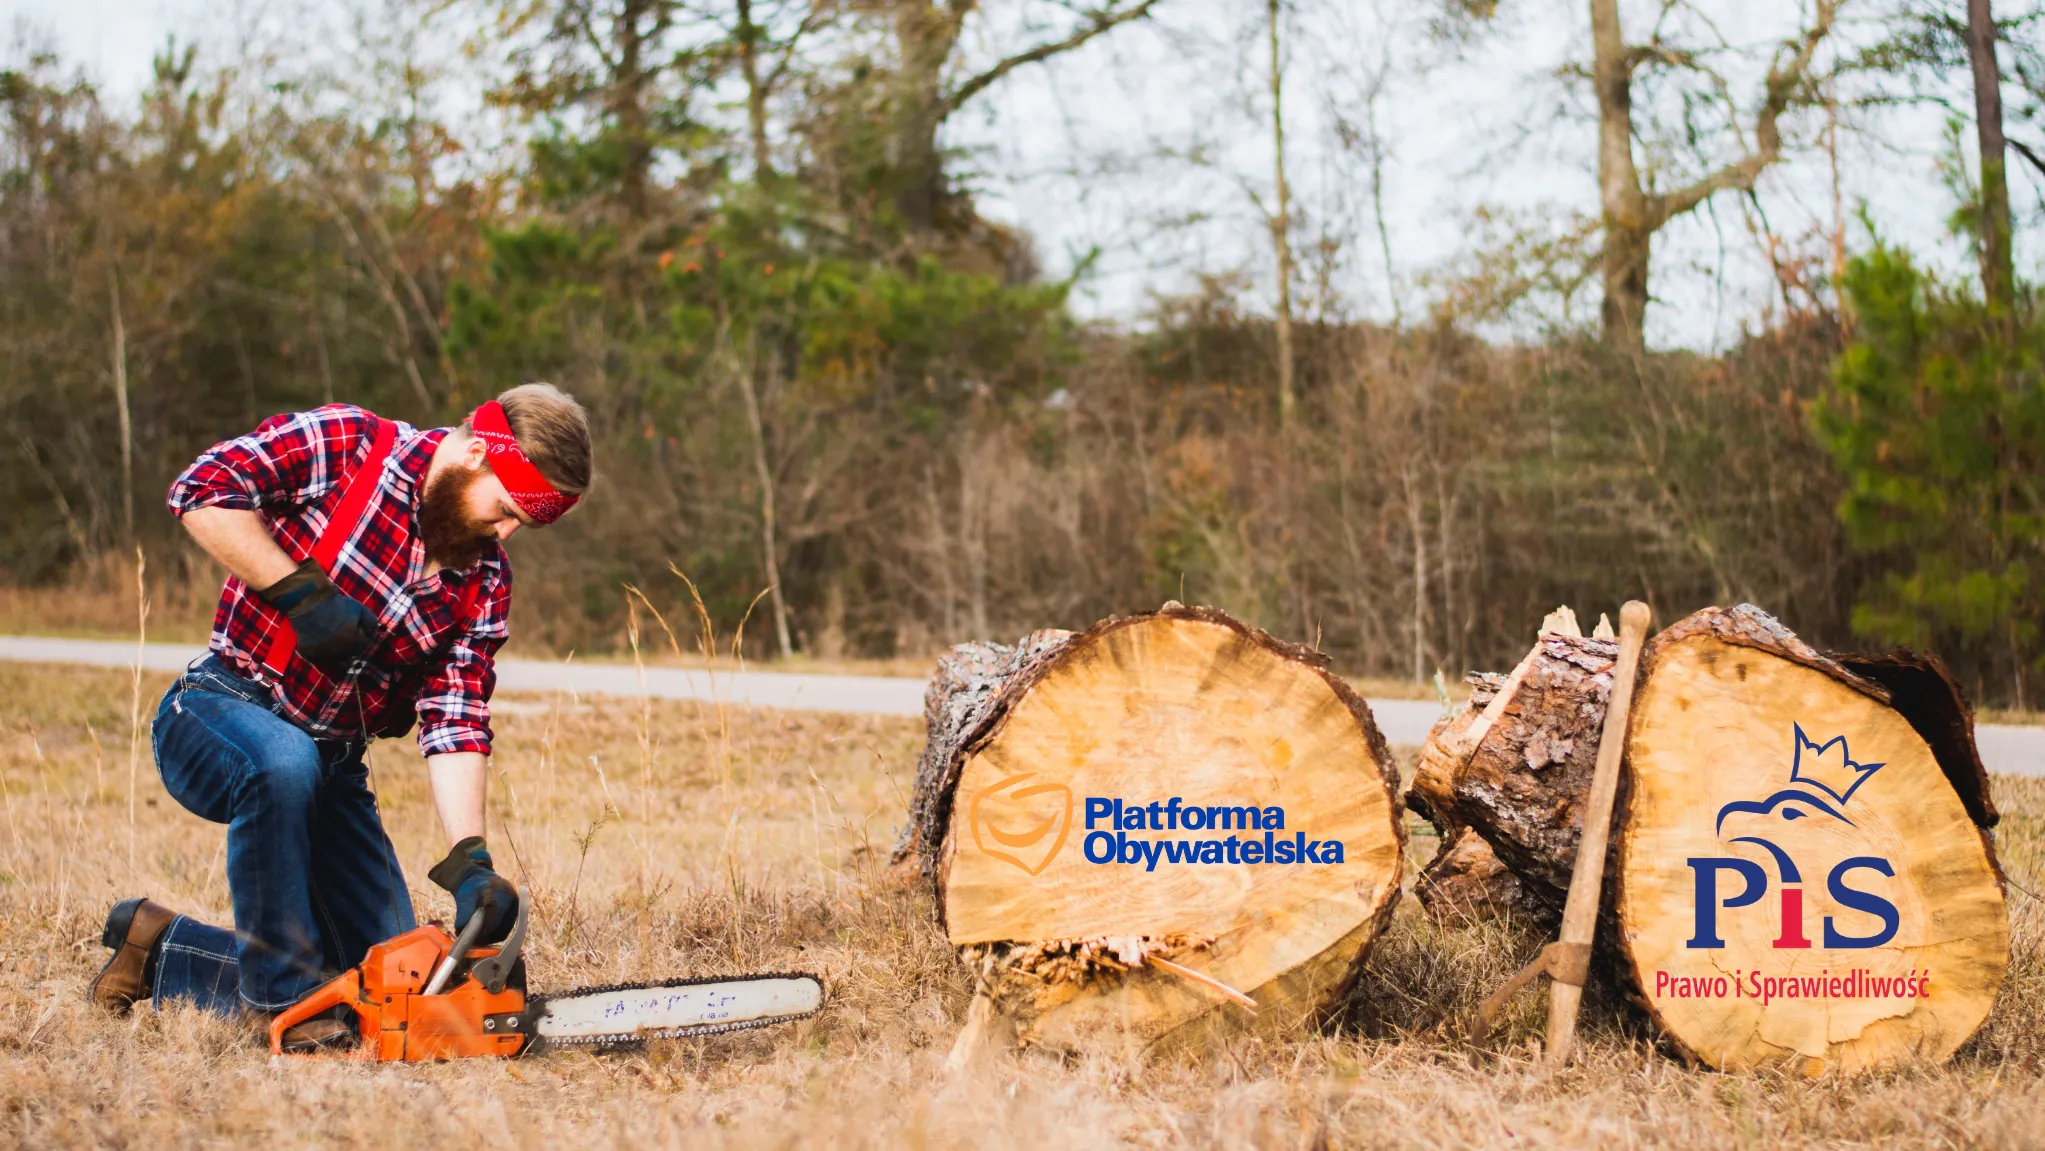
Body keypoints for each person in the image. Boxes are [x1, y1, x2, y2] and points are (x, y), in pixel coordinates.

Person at [86, 384, 593, 1048]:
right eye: (502, 510)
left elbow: (456, 713)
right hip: (217, 708)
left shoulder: (484, 580)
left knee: (394, 996)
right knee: (282, 762)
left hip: (331, 769)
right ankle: (280, 1009)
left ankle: (157, 946)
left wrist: (469, 858)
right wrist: (295, 588)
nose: (503, 534)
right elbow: (200, 489)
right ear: (475, 452)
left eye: (521, 525)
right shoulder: (351, 446)